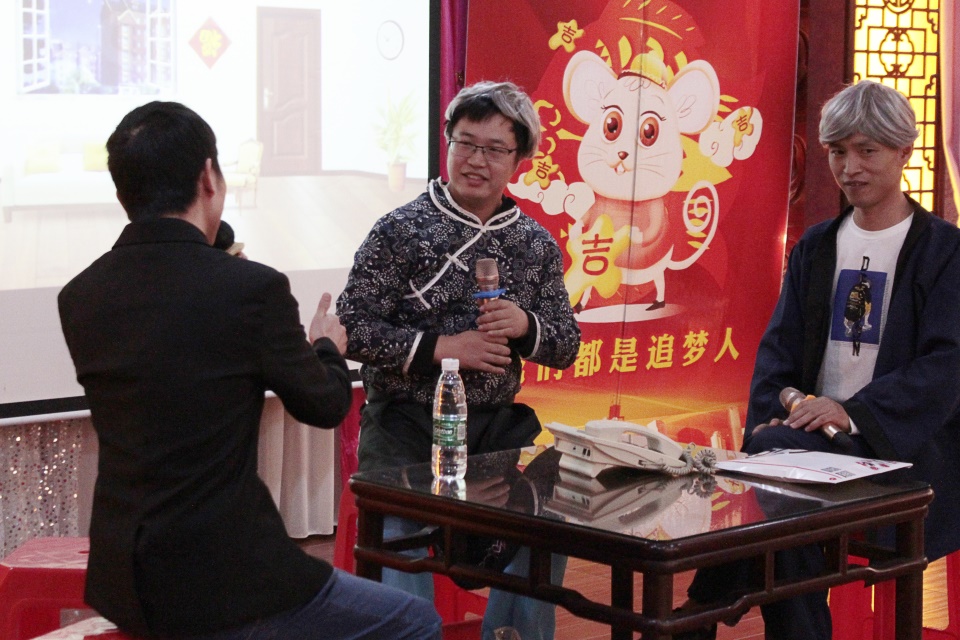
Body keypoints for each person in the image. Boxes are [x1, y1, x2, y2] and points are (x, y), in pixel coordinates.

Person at [58, 101, 441, 640]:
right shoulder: (250, 289)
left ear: (123, 193)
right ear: (208, 177)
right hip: (226, 580)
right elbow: (325, 404)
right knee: (416, 623)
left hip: (124, 579)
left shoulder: (80, 295)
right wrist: (326, 346)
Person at [679, 81, 960, 640]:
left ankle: (700, 609)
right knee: (787, 494)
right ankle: (717, 616)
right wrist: (784, 408)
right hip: (806, 450)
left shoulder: (945, 251)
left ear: (905, 152)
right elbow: (777, 354)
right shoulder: (816, 246)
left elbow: (947, 366)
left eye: (867, 150)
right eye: (837, 152)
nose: (849, 168)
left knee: (770, 467)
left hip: (902, 451)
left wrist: (849, 413)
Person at [337, 81, 581, 640]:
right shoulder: (399, 230)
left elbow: (566, 345)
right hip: (405, 424)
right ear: (446, 142)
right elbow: (351, 328)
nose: (475, 160)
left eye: (494, 149)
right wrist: (444, 349)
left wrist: (525, 325)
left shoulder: (535, 244)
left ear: (519, 160)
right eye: (465, 143)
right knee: (399, 533)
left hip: (493, 431)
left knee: (546, 527)